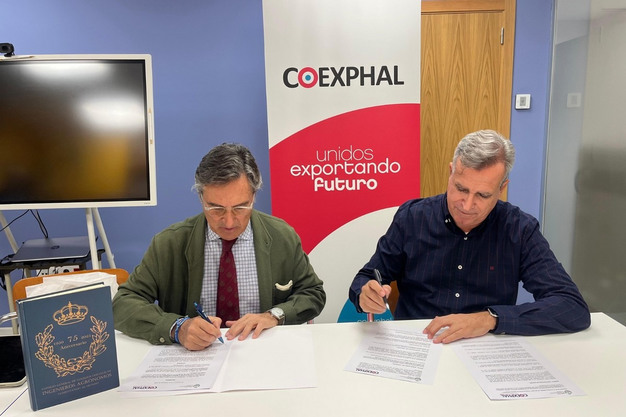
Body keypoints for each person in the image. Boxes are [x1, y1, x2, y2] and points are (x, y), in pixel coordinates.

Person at [349, 130, 590, 343]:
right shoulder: (413, 218)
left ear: (501, 188)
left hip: (485, 348)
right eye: (461, 189)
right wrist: (365, 293)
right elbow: (366, 277)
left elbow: (572, 307)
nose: (466, 205)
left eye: (483, 195)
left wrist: (490, 319)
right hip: (419, 343)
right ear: (451, 172)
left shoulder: (519, 229)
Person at [113, 143, 325, 350]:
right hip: (194, 359)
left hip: (261, 353)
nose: (229, 222)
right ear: (201, 198)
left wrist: (274, 315)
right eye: (216, 209)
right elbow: (123, 303)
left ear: (253, 196)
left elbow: (312, 293)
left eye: (240, 207)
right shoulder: (169, 243)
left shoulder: (282, 236)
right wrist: (177, 328)